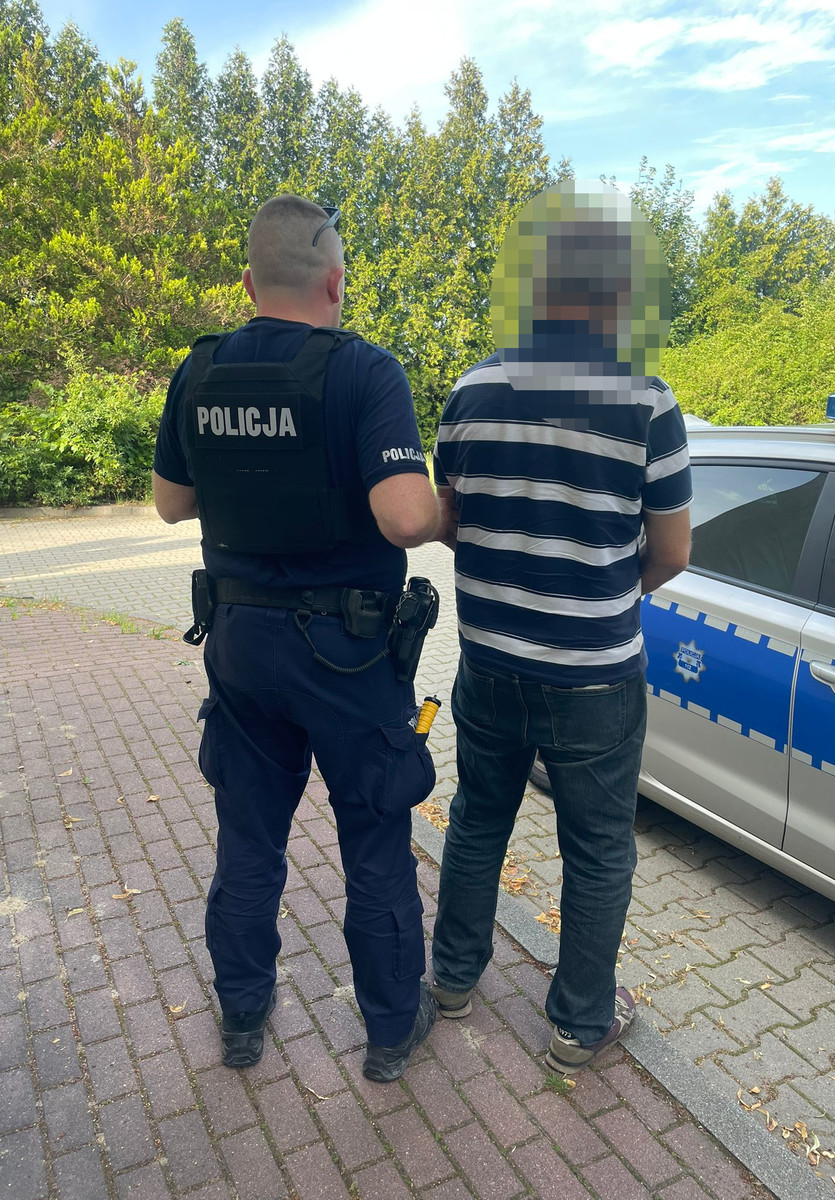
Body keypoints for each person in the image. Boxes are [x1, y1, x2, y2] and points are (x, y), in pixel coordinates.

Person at [152, 195, 441, 1082]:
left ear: (249, 283)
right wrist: (451, 509)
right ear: (335, 282)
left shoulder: (199, 371)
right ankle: (389, 1031)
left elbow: (170, 504)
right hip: (349, 654)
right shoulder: (366, 372)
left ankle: (243, 1015)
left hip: (241, 643)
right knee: (374, 837)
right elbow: (405, 518)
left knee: (248, 837)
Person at [430, 182, 693, 1074]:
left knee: (476, 822)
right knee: (598, 849)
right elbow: (672, 554)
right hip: (596, 676)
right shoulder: (647, 400)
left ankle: (452, 980)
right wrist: (607, 591)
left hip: (489, 662)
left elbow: (456, 521)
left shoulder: (470, 390)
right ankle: (580, 1024)